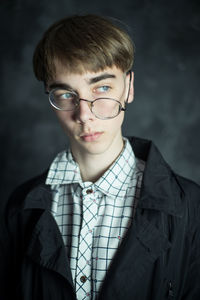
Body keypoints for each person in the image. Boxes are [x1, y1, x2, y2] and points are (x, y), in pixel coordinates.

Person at [0, 14, 200, 300]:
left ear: (128, 87)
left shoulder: (191, 206)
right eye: (66, 94)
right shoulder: (20, 206)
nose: (84, 115)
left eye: (102, 88)